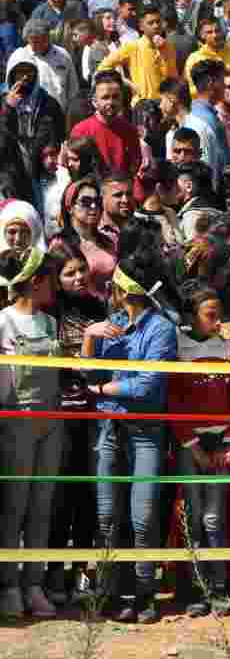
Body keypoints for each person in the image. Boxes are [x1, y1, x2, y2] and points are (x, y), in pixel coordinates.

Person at [81, 247, 178, 624]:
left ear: (123, 289)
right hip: (109, 428)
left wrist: (105, 391)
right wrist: (90, 337)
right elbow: (90, 375)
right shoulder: (111, 323)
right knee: (106, 516)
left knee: (142, 517)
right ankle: (109, 592)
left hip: (145, 430)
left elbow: (148, 386)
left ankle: (144, 594)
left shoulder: (162, 328)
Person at [167, 286, 230, 618]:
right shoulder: (179, 349)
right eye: (209, 314)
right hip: (192, 447)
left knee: (214, 518)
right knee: (193, 518)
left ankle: (220, 586)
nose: (216, 321)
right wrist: (193, 446)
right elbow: (175, 400)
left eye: (219, 313)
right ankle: (196, 588)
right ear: (193, 317)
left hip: (221, 445)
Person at [0, 247, 62, 619]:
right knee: (14, 506)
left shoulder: (50, 324)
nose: (53, 285)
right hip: (17, 421)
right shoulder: (3, 323)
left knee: (42, 505)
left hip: (51, 422)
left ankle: (33, 583)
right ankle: (8, 584)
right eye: (49, 278)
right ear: (35, 281)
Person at [44, 240, 105, 606]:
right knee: (59, 497)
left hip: (93, 409)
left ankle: (83, 568)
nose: (79, 276)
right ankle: (52, 571)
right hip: (61, 412)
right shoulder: (51, 311)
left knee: (87, 494)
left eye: (82, 268)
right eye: (70, 272)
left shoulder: (98, 307)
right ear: (57, 279)